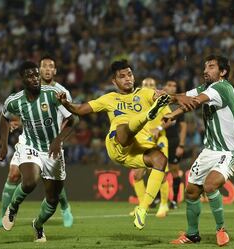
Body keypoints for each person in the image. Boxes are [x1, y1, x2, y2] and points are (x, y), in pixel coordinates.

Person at [56, 60, 171, 230]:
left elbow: (164, 97)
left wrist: (179, 97)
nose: (127, 79)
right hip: (117, 145)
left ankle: (143, 209)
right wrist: (65, 103)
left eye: (129, 74)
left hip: (136, 150)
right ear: (114, 82)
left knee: (160, 160)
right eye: (122, 76)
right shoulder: (109, 99)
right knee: (123, 128)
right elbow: (80, 110)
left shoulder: (145, 93)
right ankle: (147, 115)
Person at [0, 61, 77, 242]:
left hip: (53, 150)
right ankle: (13, 207)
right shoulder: (15, 100)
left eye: (36, 75)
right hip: (30, 146)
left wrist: (58, 140)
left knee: (52, 199)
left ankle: (38, 225)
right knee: (30, 181)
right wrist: (3, 145)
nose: (35, 79)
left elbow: (72, 120)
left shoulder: (52, 95)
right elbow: (4, 118)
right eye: (30, 76)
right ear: (22, 79)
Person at [167, 55, 234, 247]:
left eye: (211, 67)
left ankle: (221, 229)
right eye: (205, 67)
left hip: (227, 153)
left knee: (210, 186)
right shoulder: (206, 88)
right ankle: (192, 234)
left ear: (222, 72)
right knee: (191, 192)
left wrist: (173, 107)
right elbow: (186, 97)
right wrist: (167, 103)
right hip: (209, 151)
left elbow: (193, 102)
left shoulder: (221, 88)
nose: (205, 70)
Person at [129, 77, 171, 218]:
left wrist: (158, 128)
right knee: (137, 175)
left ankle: (164, 204)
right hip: (143, 141)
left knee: (161, 174)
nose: (148, 86)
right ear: (141, 86)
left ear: (155, 86)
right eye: (146, 84)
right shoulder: (137, 101)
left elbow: (170, 118)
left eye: (151, 84)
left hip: (159, 140)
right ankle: (142, 206)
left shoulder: (160, 100)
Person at [163, 80, 187, 209]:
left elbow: (183, 127)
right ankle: (158, 199)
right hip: (160, 141)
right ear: (164, 87)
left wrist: (181, 145)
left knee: (174, 170)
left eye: (174, 86)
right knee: (158, 170)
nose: (172, 88)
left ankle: (174, 200)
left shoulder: (178, 106)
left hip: (173, 141)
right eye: (169, 85)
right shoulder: (158, 103)